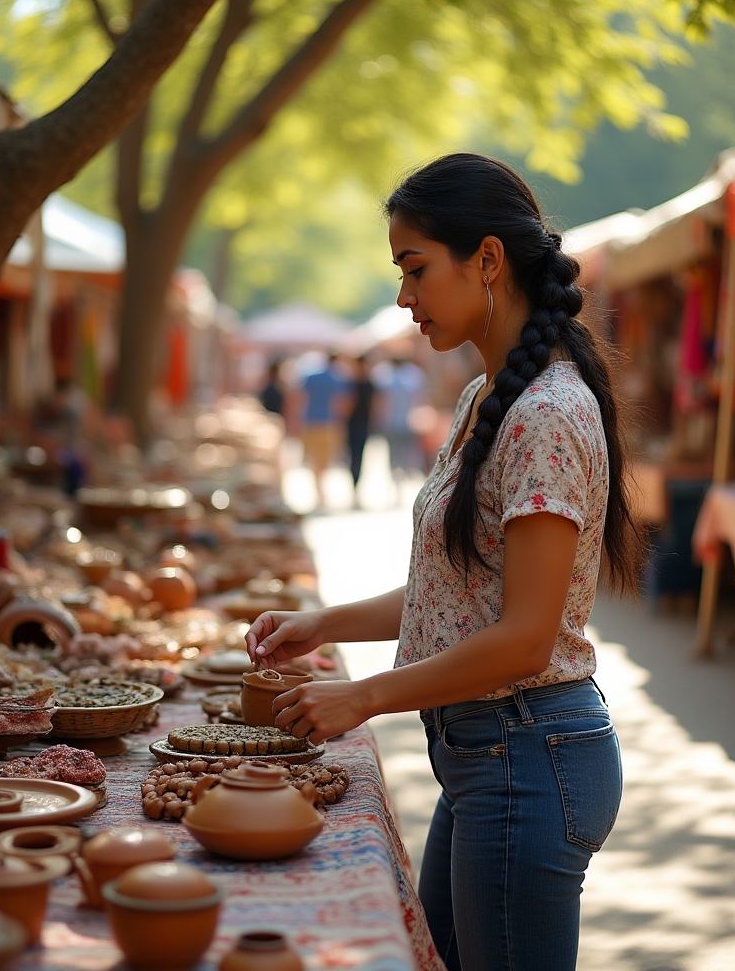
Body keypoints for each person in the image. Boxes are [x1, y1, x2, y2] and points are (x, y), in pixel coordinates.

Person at [246, 154, 644, 971]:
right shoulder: (483, 397)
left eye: (415, 268)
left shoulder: (546, 414)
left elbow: (526, 640)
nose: (404, 298)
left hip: (528, 759)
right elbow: (454, 594)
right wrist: (326, 622)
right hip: (488, 758)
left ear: (488, 260)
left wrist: (363, 696)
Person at [299, 352, 351, 506]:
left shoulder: (311, 377)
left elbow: (300, 398)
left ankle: (318, 490)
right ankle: (321, 490)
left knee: (313, 458)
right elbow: (343, 401)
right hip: (329, 423)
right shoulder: (337, 379)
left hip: (310, 421)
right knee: (325, 459)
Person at [376, 355, 426, 484]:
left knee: (393, 452)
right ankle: (402, 478)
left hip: (391, 422)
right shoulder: (410, 381)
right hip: (407, 422)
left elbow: (383, 403)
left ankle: (395, 479)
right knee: (405, 452)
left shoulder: (387, 381)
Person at [346, 355, 375, 502]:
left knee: (359, 456)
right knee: (353, 455)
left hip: (363, 424)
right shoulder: (352, 383)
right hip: (353, 424)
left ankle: (356, 485)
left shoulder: (369, 383)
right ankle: (354, 485)